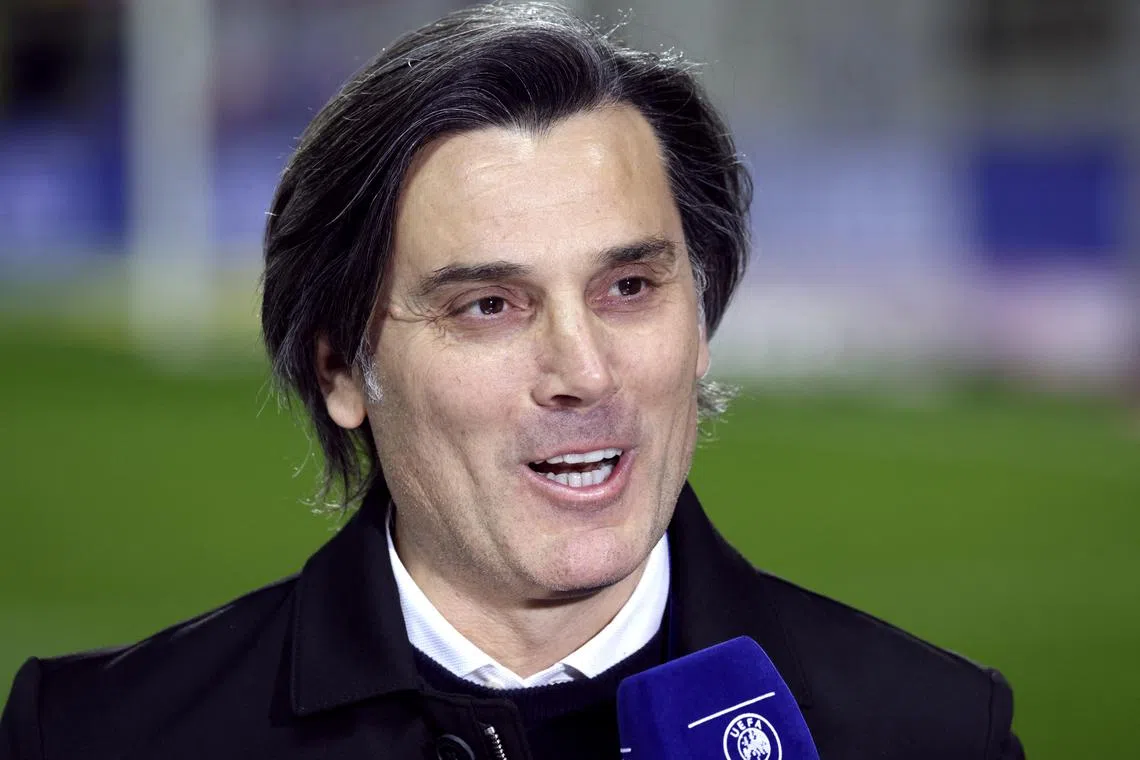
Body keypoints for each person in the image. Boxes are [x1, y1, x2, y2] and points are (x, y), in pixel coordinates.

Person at [1, 4, 1024, 758]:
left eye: (629, 286)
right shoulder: (100, 736)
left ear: (701, 321)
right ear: (339, 369)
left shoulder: (929, 729)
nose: (583, 371)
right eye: (489, 305)